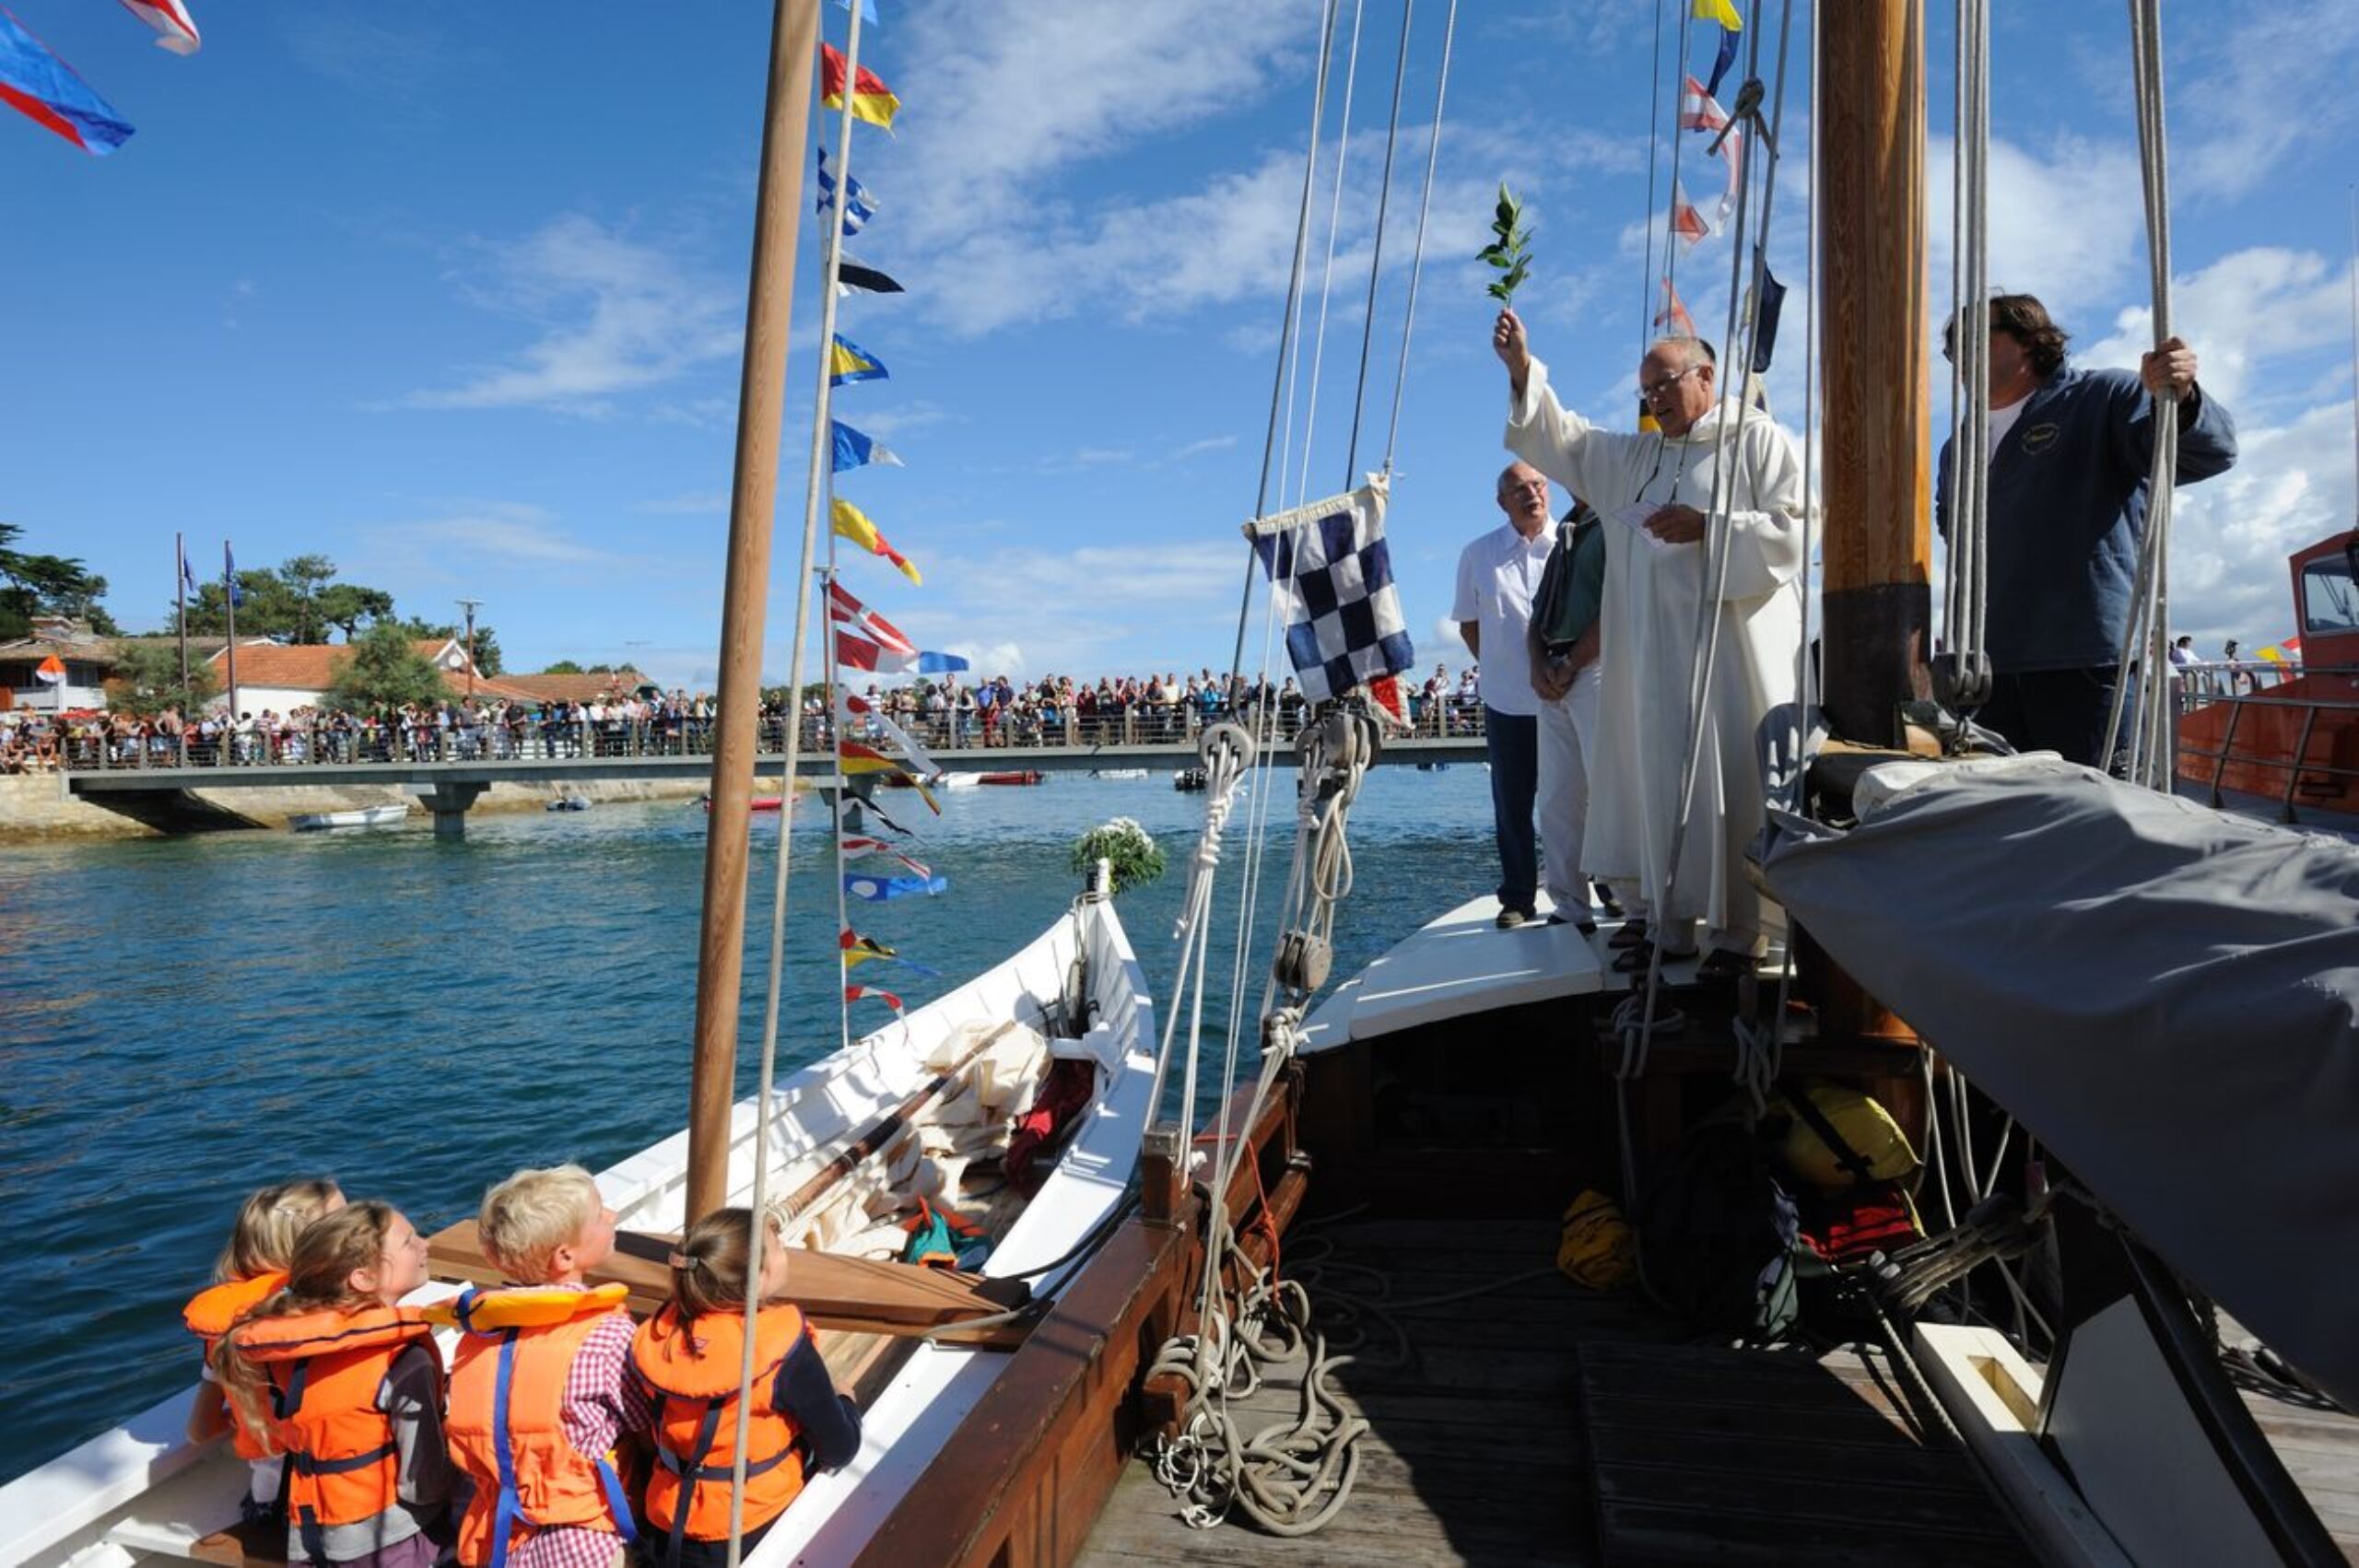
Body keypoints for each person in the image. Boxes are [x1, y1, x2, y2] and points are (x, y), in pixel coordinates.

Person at [1497, 310, 1805, 977]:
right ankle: (1669, 924)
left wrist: (1711, 527)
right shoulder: (1637, 457)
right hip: (1649, 667)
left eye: (1665, 385)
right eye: (1646, 393)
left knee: (1730, 789)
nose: (1655, 401)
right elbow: (1568, 441)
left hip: (1724, 659)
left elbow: (1795, 529)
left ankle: (1739, 933)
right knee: (1656, 786)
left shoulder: (1759, 443)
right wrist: (1524, 369)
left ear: (1706, 376)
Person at [1938, 294, 2236, 767]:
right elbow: (1952, 531)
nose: (1960, 355)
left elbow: (2203, 453)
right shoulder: (1959, 446)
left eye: (1975, 338)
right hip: (1987, 669)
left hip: (2086, 659)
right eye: (1952, 347)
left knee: (2101, 825)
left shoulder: (2103, 397)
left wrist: (2183, 398)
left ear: (2032, 342)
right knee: (2004, 825)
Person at [215, 1202, 455, 1568]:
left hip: (309, 1536)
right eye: (409, 1242)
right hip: (392, 1543)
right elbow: (422, 1485)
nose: (426, 1244)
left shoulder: (286, 1352)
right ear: (363, 1278)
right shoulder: (403, 1359)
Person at [628, 1207, 863, 1568]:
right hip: (753, 1525)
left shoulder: (657, 1336)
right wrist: (845, 1401)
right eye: (780, 1246)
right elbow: (838, 1449)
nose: (785, 1251)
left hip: (668, 1522)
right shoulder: (782, 1348)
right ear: (761, 1276)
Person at [444, 1164, 647, 1568]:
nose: (612, 1217)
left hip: (498, 1538)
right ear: (565, 1256)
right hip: (587, 1538)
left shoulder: (477, 1335)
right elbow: (645, 1424)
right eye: (600, 1214)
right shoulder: (607, 1335)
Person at [1454, 461, 1581, 929]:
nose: (1532, 494)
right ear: (1501, 502)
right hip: (1508, 701)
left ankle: (1602, 885)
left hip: (1572, 694)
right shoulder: (1478, 554)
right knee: (1513, 803)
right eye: (1519, 489)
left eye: (1538, 484)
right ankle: (1518, 897)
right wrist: (1503, 668)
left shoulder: (1572, 544)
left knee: (1583, 798)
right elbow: (1469, 624)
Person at [185, 1179, 349, 1523]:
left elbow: (200, 1430)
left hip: (272, 1506)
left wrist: (254, 1421)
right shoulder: (333, 1321)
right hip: (342, 1500)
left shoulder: (226, 1329)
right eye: (344, 1225)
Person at [1527, 499, 1614, 931]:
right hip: (1557, 671)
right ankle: (1570, 904)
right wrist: (1538, 665)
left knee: (1610, 789)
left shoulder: (1612, 526)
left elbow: (1617, 605)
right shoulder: (1566, 533)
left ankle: (1633, 904)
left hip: (1595, 667)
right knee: (1558, 797)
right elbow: (1538, 614)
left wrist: (1571, 662)